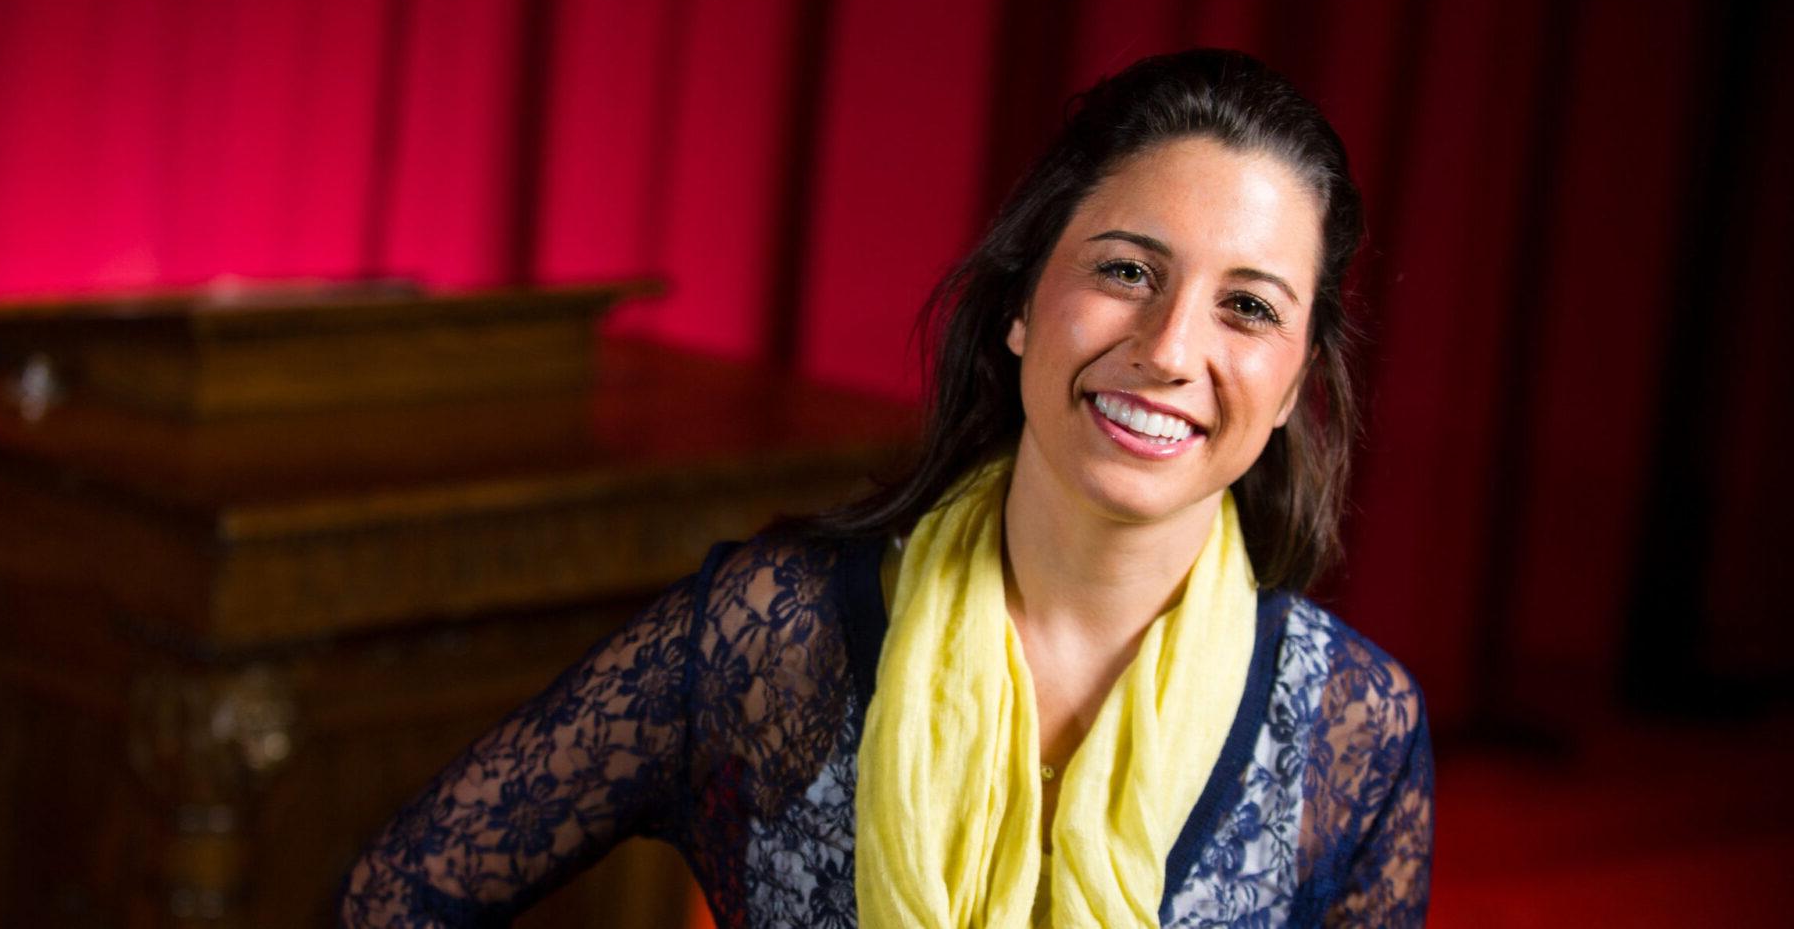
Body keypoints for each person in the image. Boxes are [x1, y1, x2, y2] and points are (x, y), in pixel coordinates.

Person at [339, 48, 1432, 928]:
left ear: (1292, 382)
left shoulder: (1350, 725)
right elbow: (396, 896)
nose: (1168, 346)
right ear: (1020, 306)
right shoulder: (773, 636)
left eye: (1247, 307)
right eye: (1124, 271)